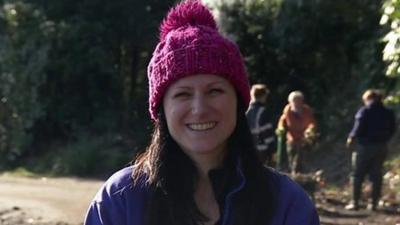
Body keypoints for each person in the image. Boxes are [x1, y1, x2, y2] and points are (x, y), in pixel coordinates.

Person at [84, 1, 320, 225]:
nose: (199, 109)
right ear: (162, 109)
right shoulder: (119, 200)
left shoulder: (288, 204)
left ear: (238, 102)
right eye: (183, 94)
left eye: (215, 91)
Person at [345, 89, 396, 211]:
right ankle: (373, 203)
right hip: (381, 146)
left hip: (365, 146)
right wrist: (385, 139)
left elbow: (358, 127)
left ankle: (355, 202)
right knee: (376, 175)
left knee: (357, 174)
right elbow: (393, 128)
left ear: (368, 99)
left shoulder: (365, 111)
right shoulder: (388, 112)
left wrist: (351, 139)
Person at [277, 91, 317, 174]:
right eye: (294, 101)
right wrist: (281, 128)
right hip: (292, 140)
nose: (297, 103)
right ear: (290, 102)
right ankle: (295, 176)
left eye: (299, 101)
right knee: (292, 160)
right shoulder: (287, 111)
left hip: (304, 140)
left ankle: (302, 175)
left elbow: (312, 122)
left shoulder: (307, 110)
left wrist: (310, 129)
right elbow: (282, 122)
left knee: (301, 160)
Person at [246, 84, 276, 167]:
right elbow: (266, 132)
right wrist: (272, 150)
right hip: (262, 149)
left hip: (248, 148)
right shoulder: (263, 111)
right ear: (262, 96)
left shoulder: (246, 110)